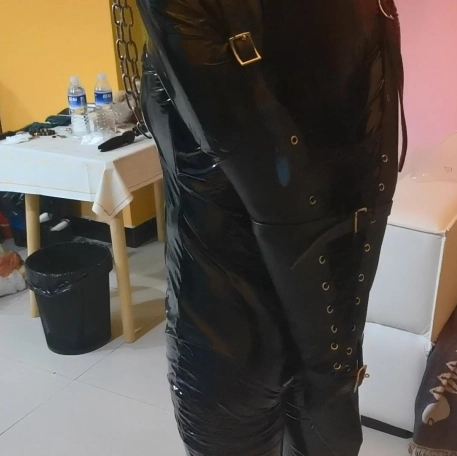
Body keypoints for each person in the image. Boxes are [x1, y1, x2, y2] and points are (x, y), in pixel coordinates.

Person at [138, 0, 405, 454]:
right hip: (329, 322)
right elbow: (367, 178)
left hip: (224, 325)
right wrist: (333, 363)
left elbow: (274, 181)